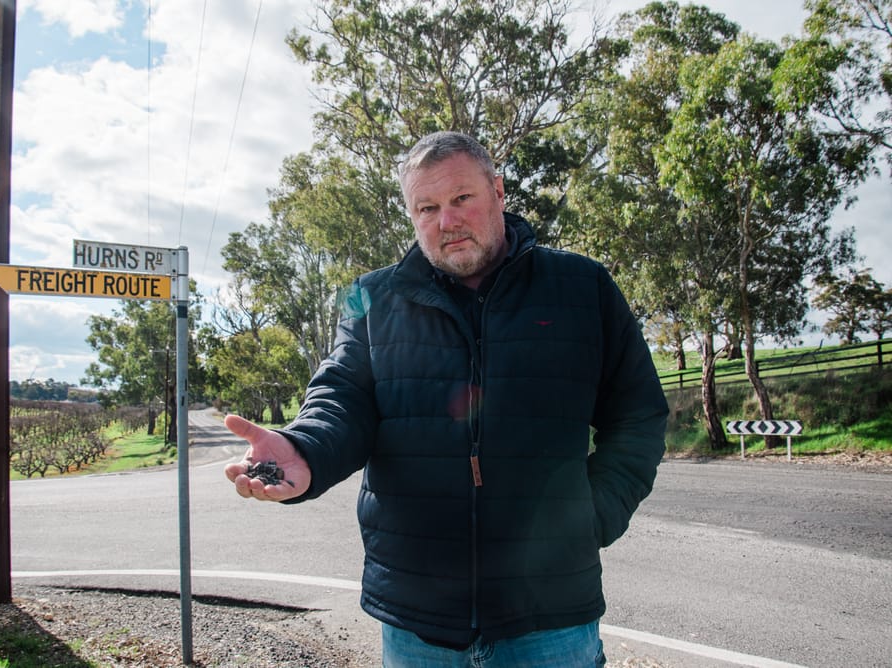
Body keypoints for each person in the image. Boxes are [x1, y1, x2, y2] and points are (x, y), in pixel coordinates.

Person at [224, 131, 668, 667]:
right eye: (427, 207)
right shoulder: (371, 299)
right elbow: (341, 398)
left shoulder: (582, 288)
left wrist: (591, 518)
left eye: (462, 199)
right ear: (411, 215)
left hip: (551, 618)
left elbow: (638, 417)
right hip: (418, 624)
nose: (446, 221)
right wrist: (304, 449)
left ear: (498, 192)